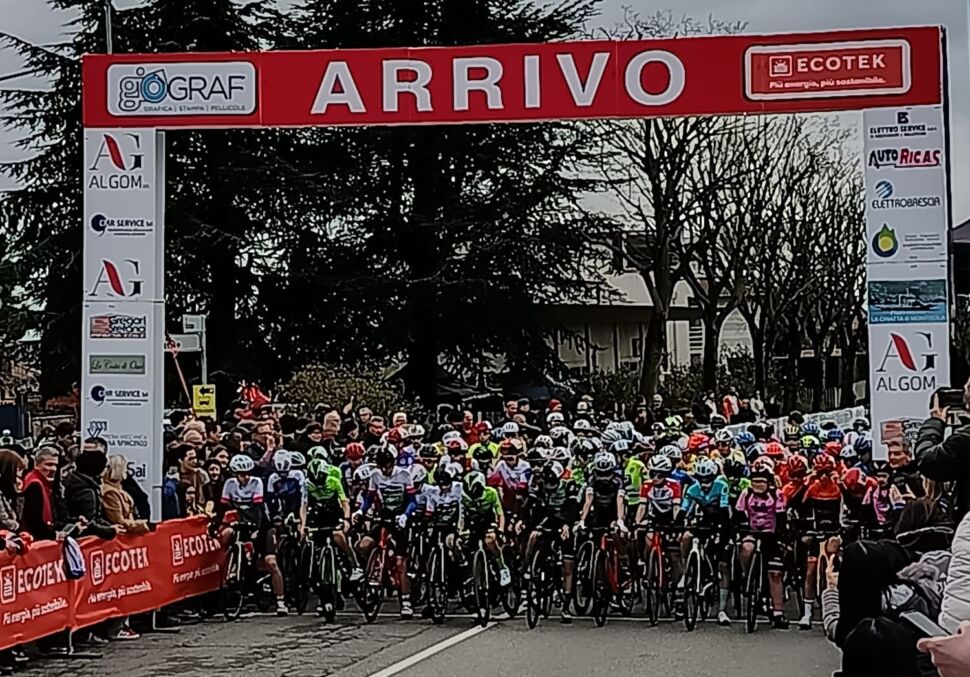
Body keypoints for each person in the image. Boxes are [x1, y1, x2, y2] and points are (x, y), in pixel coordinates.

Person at [917, 384, 970, 520]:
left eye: (968, 388)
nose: (963, 388)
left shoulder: (964, 439)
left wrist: (935, 422)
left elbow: (928, 461)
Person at [63, 448, 121, 539]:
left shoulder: (75, 481)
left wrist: (109, 527)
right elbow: (89, 523)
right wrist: (110, 531)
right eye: (106, 467)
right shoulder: (86, 491)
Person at [101, 455, 149, 535]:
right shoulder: (109, 493)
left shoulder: (120, 490)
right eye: (125, 468)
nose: (127, 471)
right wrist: (142, 525)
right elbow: (118, 520)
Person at [20, 446, 59, 540]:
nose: (53, 469)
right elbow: (33, 520)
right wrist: (53, 535)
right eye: (49, 464)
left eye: (55, 465)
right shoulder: (34, 485)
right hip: (36, 542)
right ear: (37, 464)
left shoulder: (41, 483)